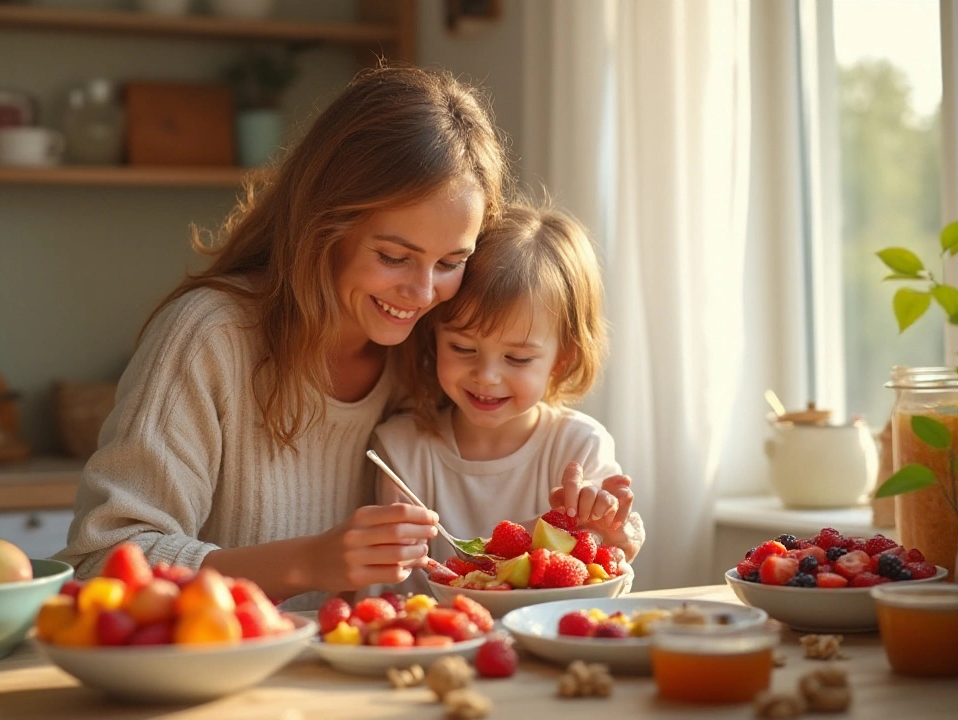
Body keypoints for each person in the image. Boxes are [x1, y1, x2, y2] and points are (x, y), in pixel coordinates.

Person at [55, 65, 510, 610]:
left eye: (451, 262)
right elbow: (101, 562)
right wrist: (308, 563)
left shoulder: (440, 349)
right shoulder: (210, 336)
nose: (421, 291)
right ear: (323, 226)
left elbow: (505, 481)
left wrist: (591, 525)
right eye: (393, 257)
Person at [371, 201, 645, 586]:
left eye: (517, 358)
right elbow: (391, 586)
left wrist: (610, 532)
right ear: (433, 338)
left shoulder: (579, 445)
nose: (486, 376)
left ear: (560, 361)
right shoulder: (402, 450)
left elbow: (607, 562)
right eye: (463, 349)